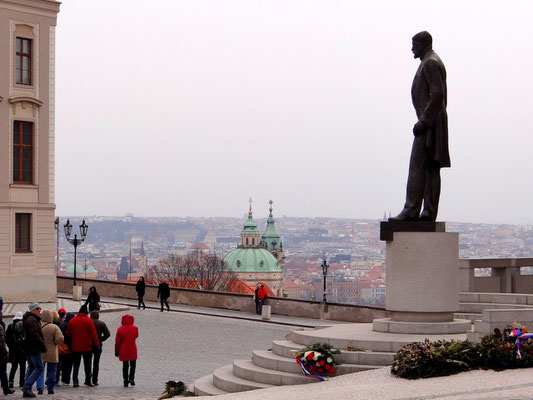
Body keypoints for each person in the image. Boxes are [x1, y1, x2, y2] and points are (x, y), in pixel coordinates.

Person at [390, 31, 450, 222]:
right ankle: (428, 212)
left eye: (414, 44)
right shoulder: (432, 61)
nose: (412, 48)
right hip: (435, 122)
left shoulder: (430, 63)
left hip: (429, 124)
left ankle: (411, 210)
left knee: (418, 165)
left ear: (424, 44)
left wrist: (423, 121)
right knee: (431, 168)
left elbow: (437, 94)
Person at [66, 305, 99, 388]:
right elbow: (94, 334)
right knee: (87, 365)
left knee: (76, 365)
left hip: (75, 346)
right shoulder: (89, 321)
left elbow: (68, 333)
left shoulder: (72, 321)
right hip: (87, 346)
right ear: (86, 312)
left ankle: (75, 381)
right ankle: (88, 380)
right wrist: (96, 344)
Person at [22, 302, 47, 398]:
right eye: (38, 309)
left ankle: (26, 389)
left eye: (40, 308)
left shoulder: (29, 319)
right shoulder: (32, 320)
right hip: (34, 348)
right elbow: (35, 335)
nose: (39, 310)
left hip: (28, 348)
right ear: (33, 310)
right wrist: (43, 345)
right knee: (39, 367)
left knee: (32, 367)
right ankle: (27, 387)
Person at [40, 310, 63, 395]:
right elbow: (59, 339)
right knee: (52, 370)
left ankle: (40, 387)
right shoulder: (54, 327)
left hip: (41, 351)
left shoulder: (39, 326)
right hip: (52, 351)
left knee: (40, 370)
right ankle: (50, 388)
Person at [115, 314, 138, 387]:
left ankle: (125, 381)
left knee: (125, 366)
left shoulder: (120, 329)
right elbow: (136, 336)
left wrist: (116, 351)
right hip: (132, 348)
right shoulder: (135, 328)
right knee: (133, 365)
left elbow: (117, 342)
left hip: (123, 349)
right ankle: (131, 378)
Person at [90, 311, 110, 386]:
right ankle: (95, 380)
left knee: (88, 362)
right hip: (98, 345)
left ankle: (88, 378)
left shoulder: (89, 322)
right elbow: (107, 334)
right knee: (96, 363)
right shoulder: (101, 324)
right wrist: (101, 339)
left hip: (89, 344)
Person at [6, 311, 25, 389]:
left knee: (14, 366)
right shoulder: (23, 325)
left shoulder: (10, 326)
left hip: (13, 350)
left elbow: (6, 339)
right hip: (22, 350)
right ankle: (22, 383)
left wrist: (11, 347)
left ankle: (11, 381)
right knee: (23, 367)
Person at [0, 312, 15, 395]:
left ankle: (6, 389)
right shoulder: (0, 327)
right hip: (1, 353)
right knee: (3, 371)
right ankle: (6, 389)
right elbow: (2, 342)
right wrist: (5, 353)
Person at [58, 313, 75, 386]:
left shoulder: (62, 325)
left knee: (63, 363)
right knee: (69, 364)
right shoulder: (72, 325)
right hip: (70, 347)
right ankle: (67, 379)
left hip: (62, 347)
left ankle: (62, 378)